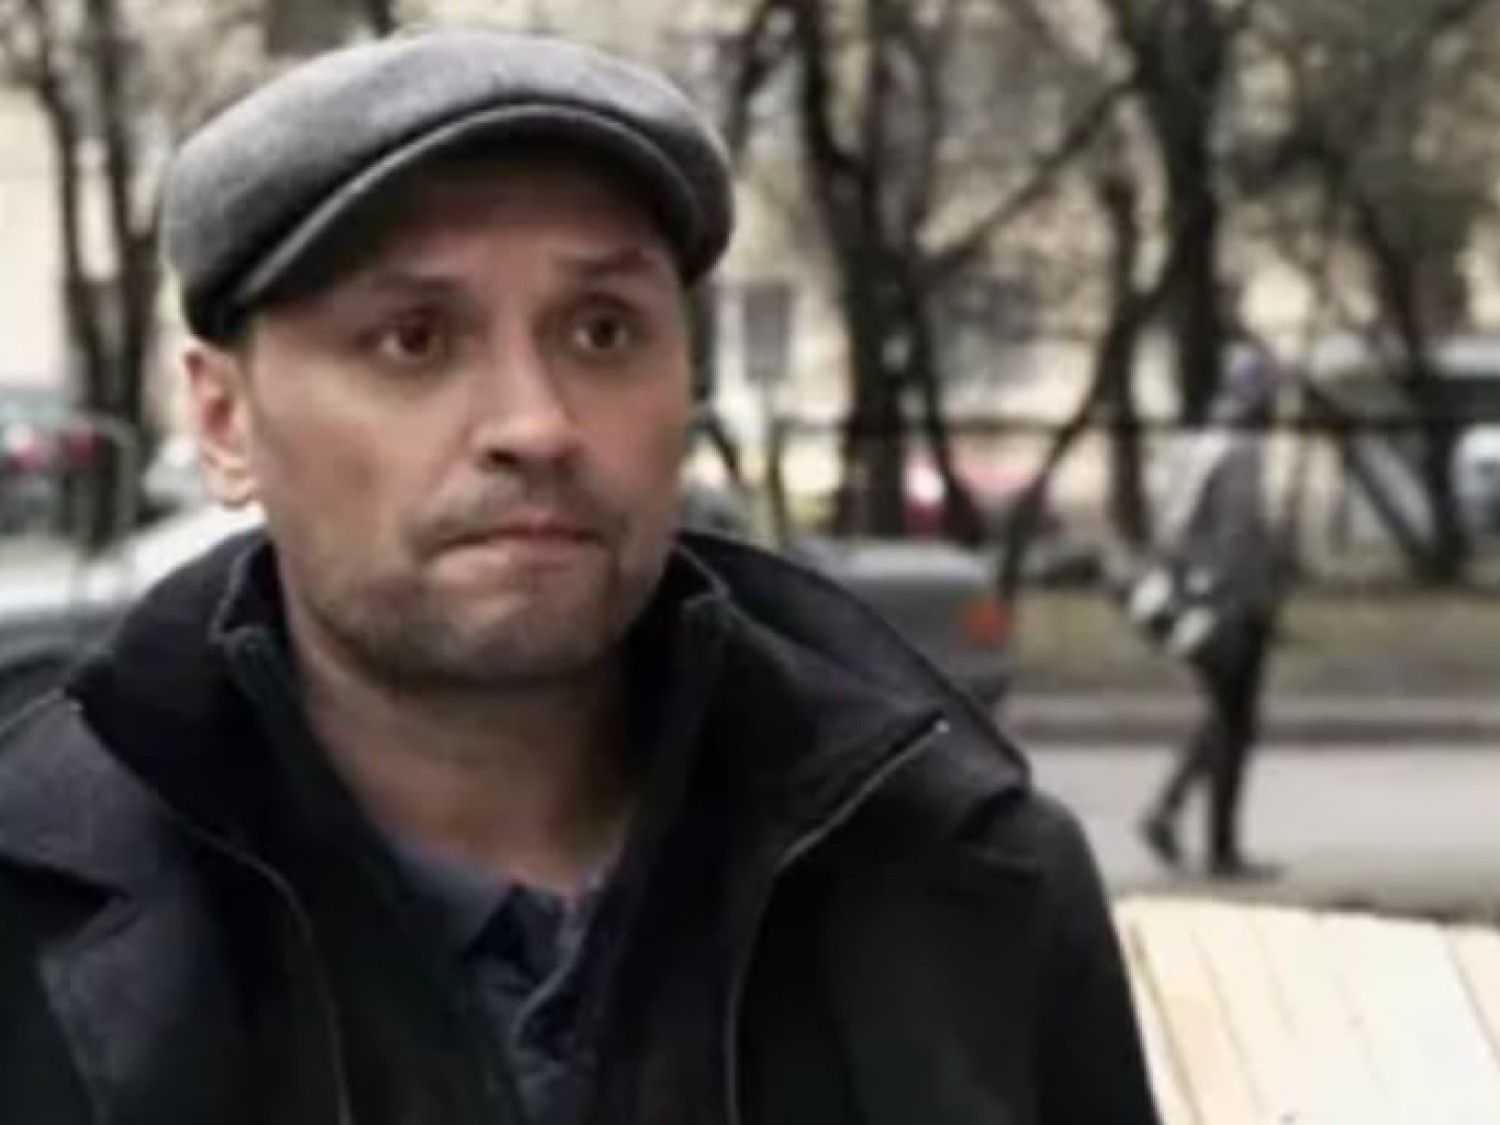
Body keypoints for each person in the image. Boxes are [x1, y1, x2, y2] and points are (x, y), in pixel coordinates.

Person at [0, 28, 1160, 1125]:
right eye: (414, 338)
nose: (537, 424)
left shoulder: (964, 887)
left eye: (602, 331)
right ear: (224, 420)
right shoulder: (34, 914)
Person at [1139, 345, 1289, 880]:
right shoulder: (1243, 451)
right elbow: (1239, 538)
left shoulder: (1202, 442)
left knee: (1227, 718)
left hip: (1195, 601)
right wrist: (1255, 603)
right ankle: (1219, 848)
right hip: (1228, 607)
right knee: (1234, 723)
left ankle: (1168, 813)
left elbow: (1174, 529)